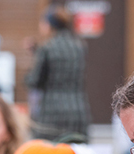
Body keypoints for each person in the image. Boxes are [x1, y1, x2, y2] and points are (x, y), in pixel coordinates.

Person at [24, 5, 90, 141]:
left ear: (49, 25)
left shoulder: (47, 48)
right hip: (77, 110)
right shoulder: (79, 46)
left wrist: (27, 76)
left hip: (51, 113)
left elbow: (35, 80)